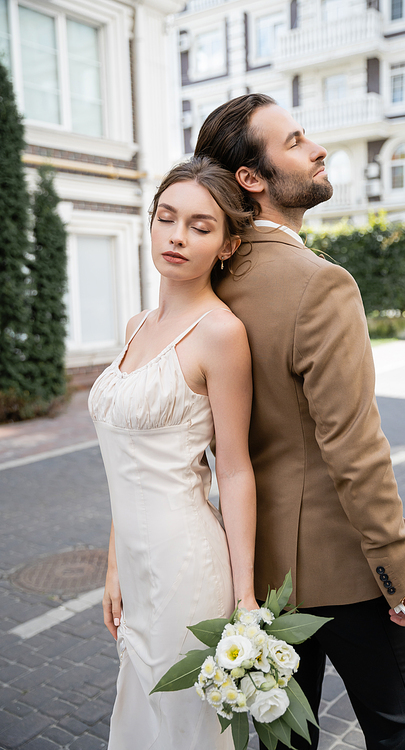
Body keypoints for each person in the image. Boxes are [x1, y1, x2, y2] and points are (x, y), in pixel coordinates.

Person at [195, 94, 405, 749]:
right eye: (295, 140)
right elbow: (355, 450)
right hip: (344, 571)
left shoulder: (209, 286)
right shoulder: (318, 283)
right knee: (402, 728)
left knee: (283, 741)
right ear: (251, 177)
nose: (318, 147)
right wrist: (401, 572)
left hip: (256, 572)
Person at [88, 156, 258, 749]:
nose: (178, 236)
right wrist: (113, 567)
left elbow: (234, 469)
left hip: (188, 564)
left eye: (201, 226)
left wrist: (245, 602)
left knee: (185, 729)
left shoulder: (221, 333)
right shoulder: (136, 326)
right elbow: (126, 464)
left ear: (228, 245)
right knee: (142, 720)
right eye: (167, 218)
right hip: (134, 562)